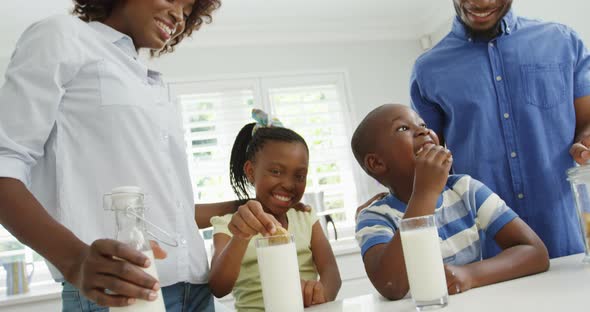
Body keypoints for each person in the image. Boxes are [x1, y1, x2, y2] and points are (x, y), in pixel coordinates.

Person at [0, 0, 234, 311]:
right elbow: (6, 162)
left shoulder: (150, 81)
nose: (179, 15)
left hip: (197, 293)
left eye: (188, 11)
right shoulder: (63, 36)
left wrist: (242, 206)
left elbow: (170, 212)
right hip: (118, 294)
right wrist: (75, 260)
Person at [410, 0, 590, 259]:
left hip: (569, 235)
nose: (481, 2)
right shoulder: (427, 70)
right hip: (489, 253)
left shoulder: (562, 42)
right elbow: (425, 160)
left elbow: (587, 120)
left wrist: (586, 140)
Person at [351, 104, 549, 300]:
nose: (423, 130)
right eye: (403, 128)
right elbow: (391, 285)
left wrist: (470, 275)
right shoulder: (374, 217)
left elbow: (536, 253)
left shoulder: (465, 190)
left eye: (422, 124)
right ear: (377, 163)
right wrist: (424, 194)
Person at [208, 110, 342, 311]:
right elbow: (218, 287)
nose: (289, 184)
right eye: (276, 172)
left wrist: (321, 293)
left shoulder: (305, 217)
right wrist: (241, 237)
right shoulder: (228, 224)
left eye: (299, 176)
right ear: (251, 171)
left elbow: (332, 273)